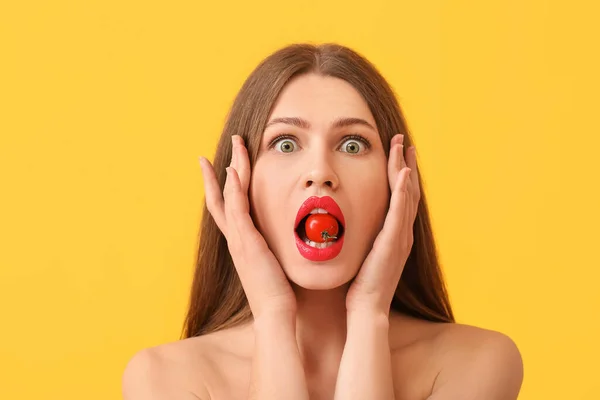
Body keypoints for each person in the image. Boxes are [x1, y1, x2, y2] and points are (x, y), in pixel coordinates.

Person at [122, 43, 524, 400]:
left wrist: (370, 314)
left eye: (352, 144)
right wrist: (272, 314)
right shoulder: (166, 379)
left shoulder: (478, 363)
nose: (320, 171)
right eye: (285, 143)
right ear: (238, 184)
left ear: (397, 181)